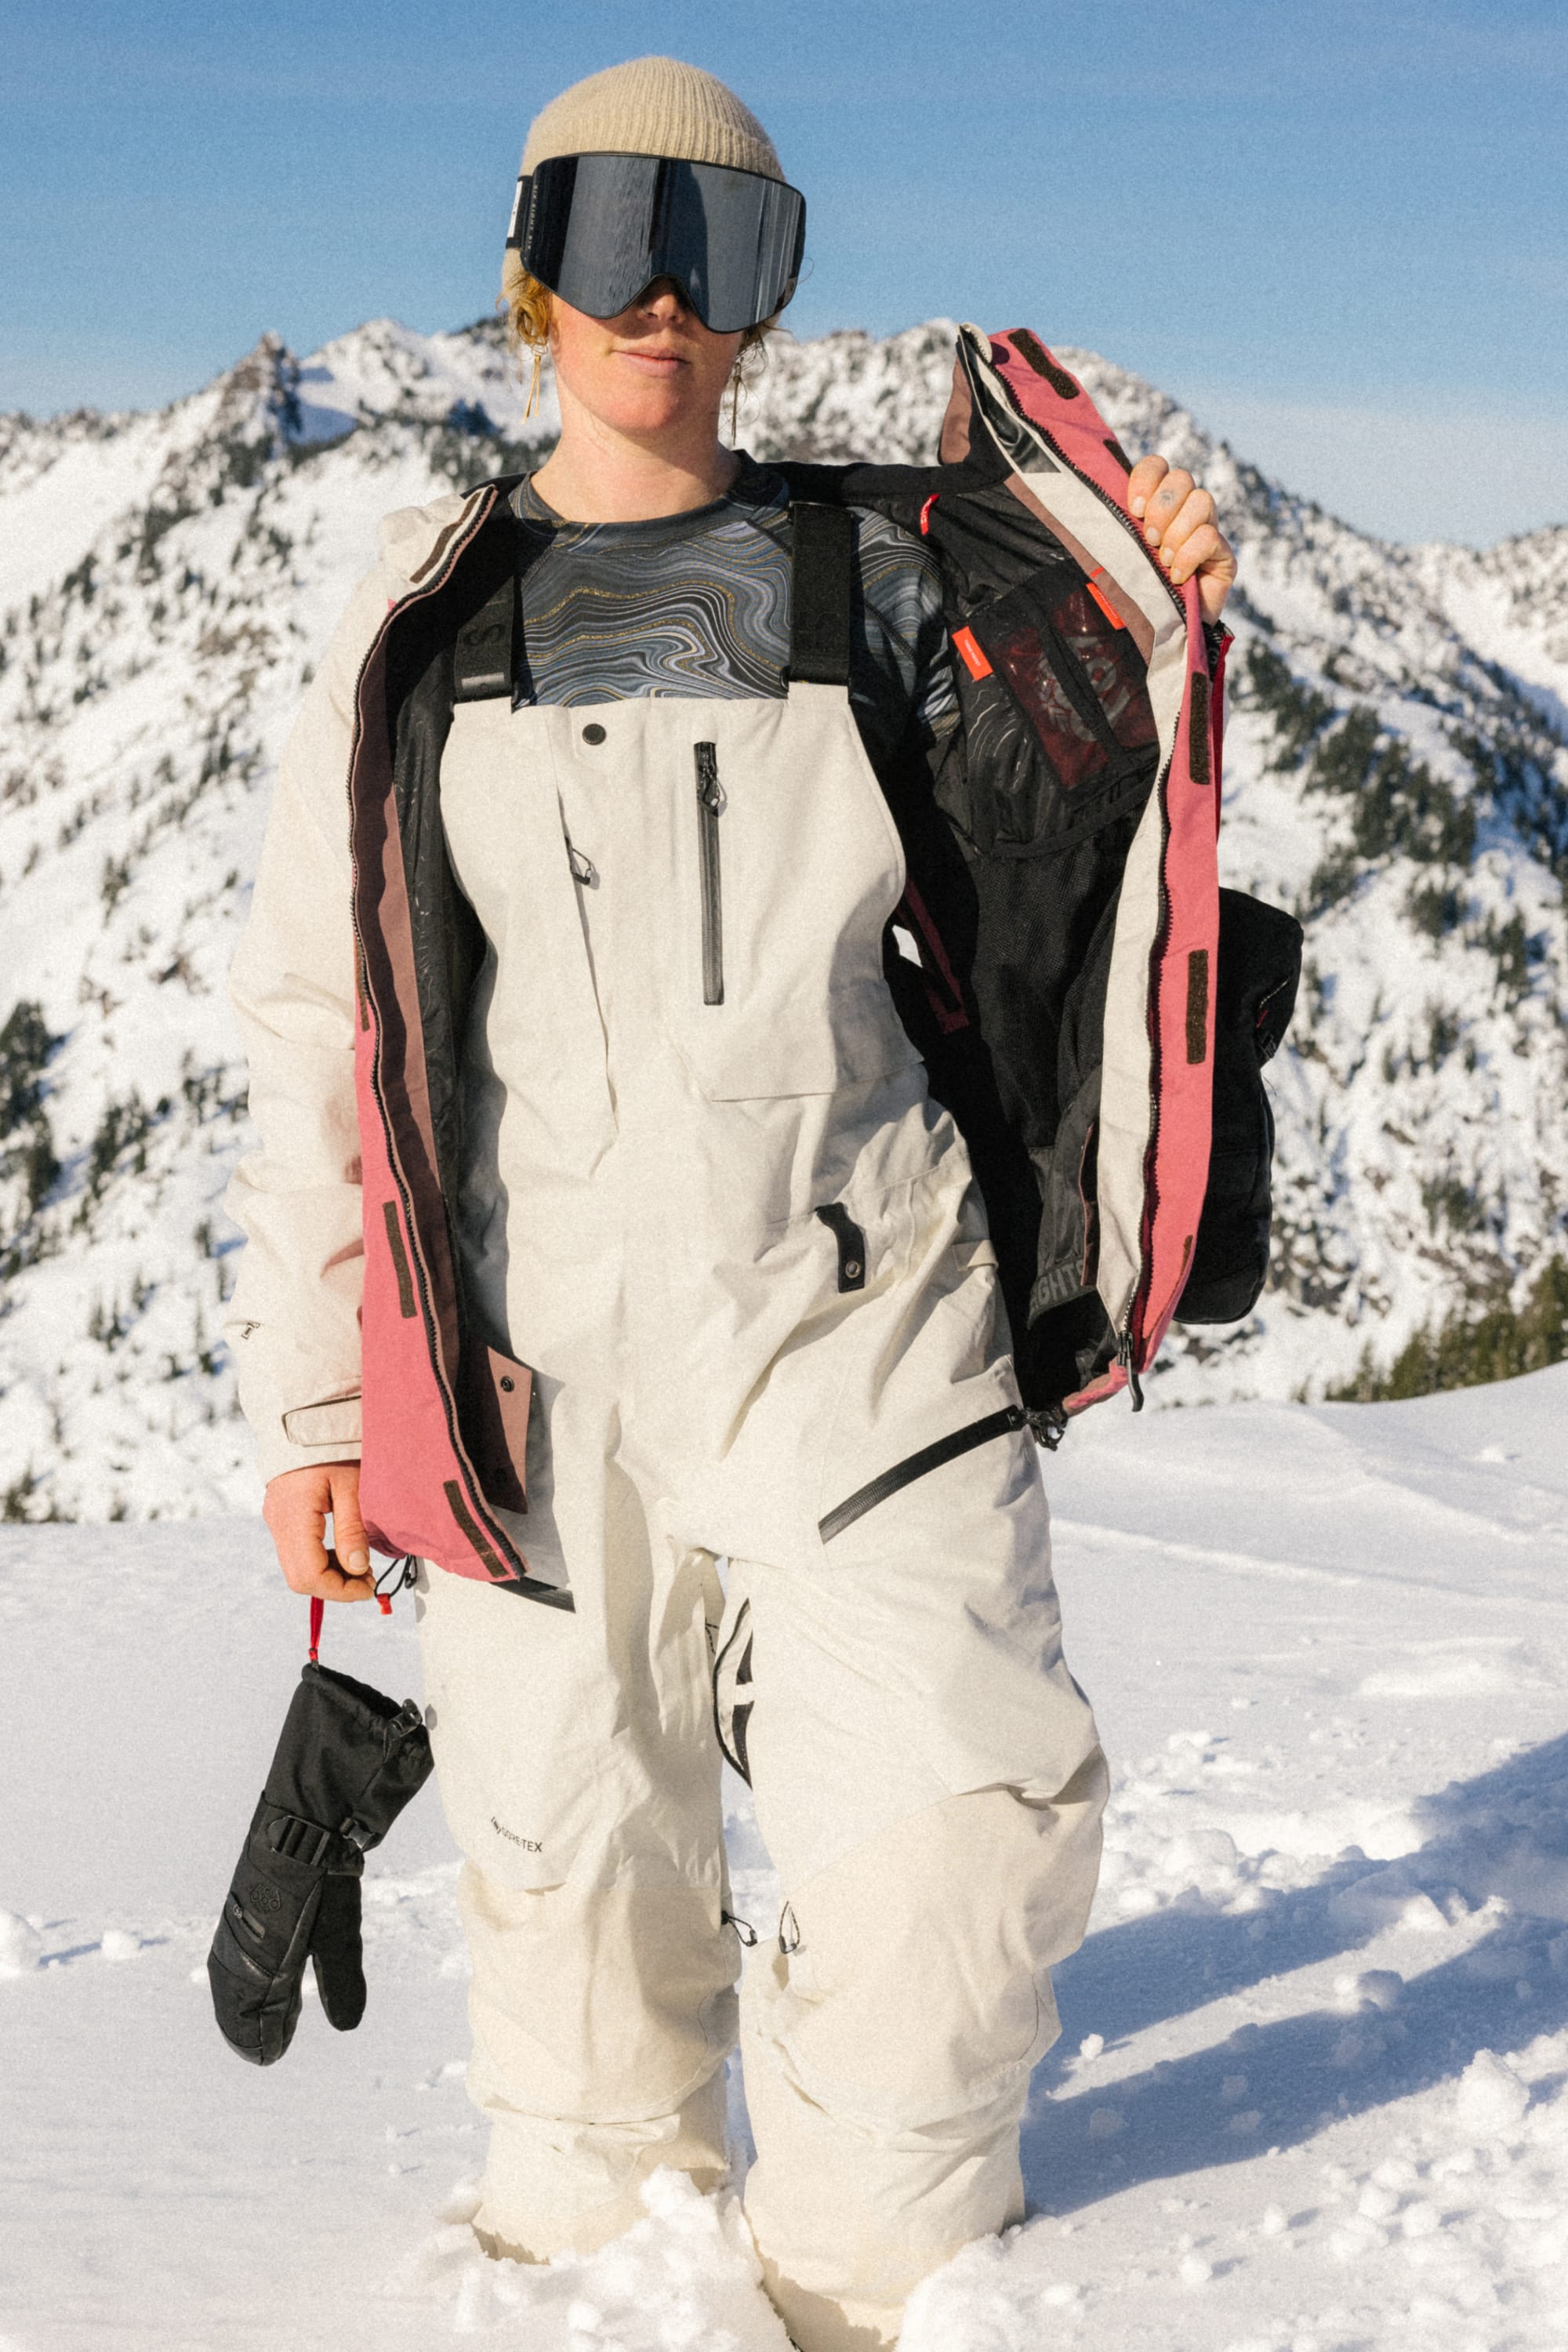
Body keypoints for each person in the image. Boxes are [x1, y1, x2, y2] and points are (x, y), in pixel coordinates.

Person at [225, 54, 1236, 2352]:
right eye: (607, 234)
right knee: (576, 2029)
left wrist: (1151, 609)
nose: (659, 295)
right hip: (534, 1368)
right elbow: (324, 1020)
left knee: (956, 1853)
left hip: (856, 1325)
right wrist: (312, 1404)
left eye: (723, 246)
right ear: (529, 269)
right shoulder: (425, 613)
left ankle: (862, 2276)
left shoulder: (882, 573)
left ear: (770, 298)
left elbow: (1086, 809)